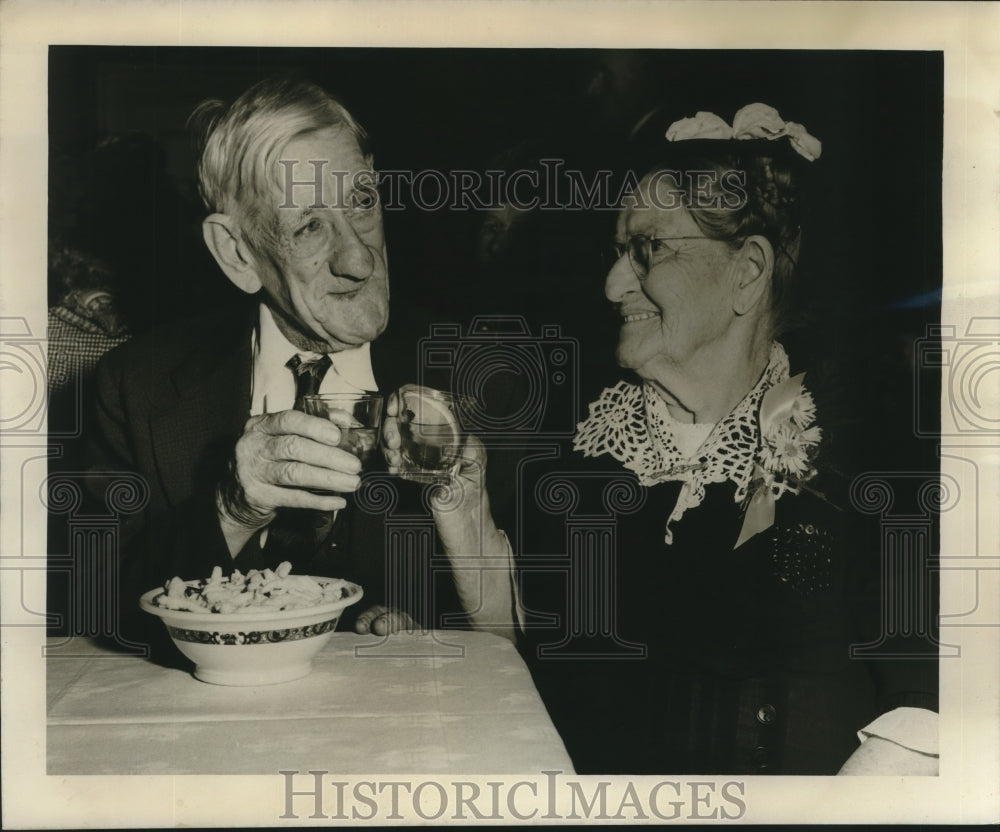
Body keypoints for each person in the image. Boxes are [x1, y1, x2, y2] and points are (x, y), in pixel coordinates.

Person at [429, 103, 939, 775]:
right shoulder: (584, 454)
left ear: (747, 271)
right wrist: (466, 522)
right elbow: (529, 670)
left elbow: (923, 715)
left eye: (649, 249)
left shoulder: (862, 462)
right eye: (618, 253)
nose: (614, 285)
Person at [86, 78, 476, 644]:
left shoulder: (486, 377)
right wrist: (231, 508)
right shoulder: (136, 387)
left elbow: (542, 625)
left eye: (362, 202)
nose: (360, 259)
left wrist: (444, 638)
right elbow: (97, 616)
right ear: (237, 253)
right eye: (308, 226)